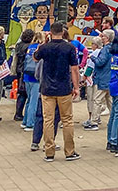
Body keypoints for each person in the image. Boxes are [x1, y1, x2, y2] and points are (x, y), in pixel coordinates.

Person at [33, 21, 81, 162]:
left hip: (47, 88)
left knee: (48, 120)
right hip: (64, 88)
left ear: (51, 32)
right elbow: (74, 69)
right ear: (63, 31)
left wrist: (43, 43)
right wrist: (76, 87)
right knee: (67, 120)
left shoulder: (45, 48)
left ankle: (49, 151)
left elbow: (35, 57)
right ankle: (70, 151)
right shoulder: (70, 48)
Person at [85, 34, 112, 130]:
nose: (102, 37)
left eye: (103, 36)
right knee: (110, 101)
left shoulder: (102, 51)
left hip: (102, 78)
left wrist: (92, 57)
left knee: (96, 100)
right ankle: (115, 120)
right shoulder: (113, 48)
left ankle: (94, 122)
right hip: (109, 77)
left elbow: (99, 63)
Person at [21, 31, 44, 130]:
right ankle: (31, 123)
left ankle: (25, 120)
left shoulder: (29, 48)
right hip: (36, 76)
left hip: (27, 75)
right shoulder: (41, 48)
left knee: (29, 99)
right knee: (34, 101)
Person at [12, 29, 34, 122]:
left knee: (21, 93)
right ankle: (22, 114)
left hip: (19, 69)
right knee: (26, 93)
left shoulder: (19, 45)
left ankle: (18, 113)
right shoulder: (29, 47)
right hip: (26, 70)